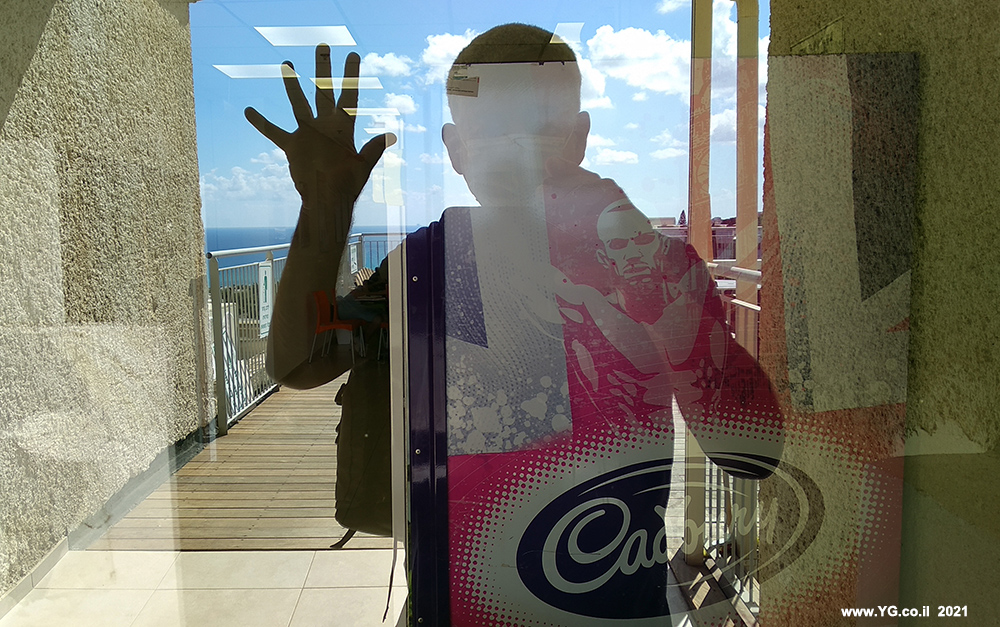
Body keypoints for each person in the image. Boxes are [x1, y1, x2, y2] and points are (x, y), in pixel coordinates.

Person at [248, 23, 782, 624]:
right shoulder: (434, 263)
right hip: (602, 604)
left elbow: (299, 361)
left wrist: (326, 206)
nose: (518, 150)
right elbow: (754, 454)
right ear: (458, 149)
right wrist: (324, 204)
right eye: (496, 132)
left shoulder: (437, 263)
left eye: (536, 130)